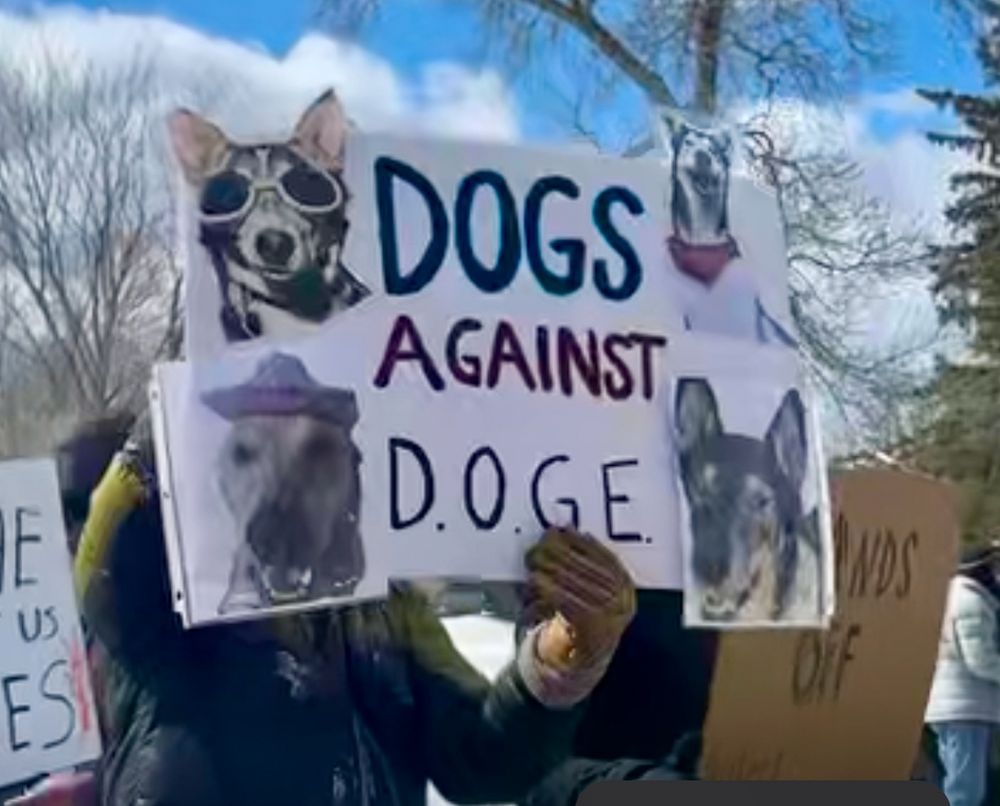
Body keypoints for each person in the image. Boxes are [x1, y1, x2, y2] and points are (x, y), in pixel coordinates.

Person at [75, 415, 638, 806]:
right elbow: (104, 575)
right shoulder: (166, 599)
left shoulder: (387, 613)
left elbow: (478, 756)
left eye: (327, 448)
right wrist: (168, 419)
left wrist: (561, 658)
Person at [925, 543, 1000, 806]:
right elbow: (979, 659)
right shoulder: (971, 602)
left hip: (954, 705)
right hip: (964, 707)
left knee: (958, 784)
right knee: (966, 789)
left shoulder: (953, 597)